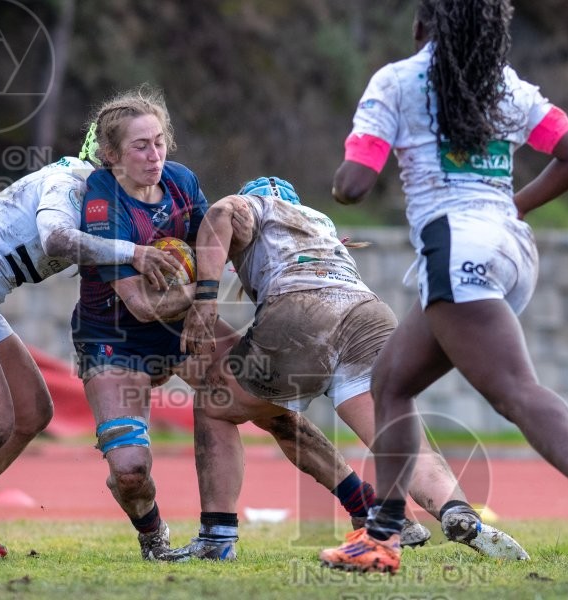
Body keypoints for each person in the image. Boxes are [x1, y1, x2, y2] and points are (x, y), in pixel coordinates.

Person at [319, 0, 568, 575]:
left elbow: (353, 186)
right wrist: (514, 205)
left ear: (422, 25)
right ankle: (380, 537)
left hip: (455, 248)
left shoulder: (397, 81)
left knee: (512, 391)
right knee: (391, 382)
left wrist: (345, 172)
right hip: (509, 250)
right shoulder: (505, 85)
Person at [173, 176, 527, 562]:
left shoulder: (258, 208)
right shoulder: (319, 222)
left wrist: (205, 298)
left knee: (214, 403)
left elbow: (222, 213)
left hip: (301, 312)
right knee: (395, 437)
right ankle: (458, 512)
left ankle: (216, 538)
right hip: (368, 314)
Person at [0, 151, 180, 560]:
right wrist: (134, 253)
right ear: (108, 156)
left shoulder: (103, 198)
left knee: (32, 411)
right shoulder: (71, 180)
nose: (149, 165)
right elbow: (56, 238)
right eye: (138, 149)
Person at [72, 85, 220, 560]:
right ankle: (154, 539)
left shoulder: (181, 181)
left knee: (272, 407)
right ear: (112, 154)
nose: (154, 154)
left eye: (159, 141)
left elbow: (217, 247)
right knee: (131, 470)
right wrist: (204, 296)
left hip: (180, 331)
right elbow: (138, 304)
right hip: (113, 339)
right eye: (140, 145)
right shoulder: (101, 197)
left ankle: (367, 510)